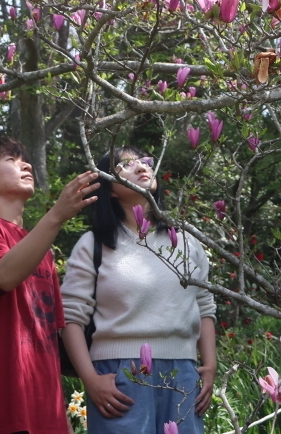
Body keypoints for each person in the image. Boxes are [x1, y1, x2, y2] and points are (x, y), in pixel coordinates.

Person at [0, 136, 100, 434]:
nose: (26, 164)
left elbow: (46, 338)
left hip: (43, 414)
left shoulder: (42, 250)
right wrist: (56, 215)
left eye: (24, 159)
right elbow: (2, 277)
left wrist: (61, 418)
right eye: (11, 160)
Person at [60, 146, 217, 434]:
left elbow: (204, 304)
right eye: (126, 164)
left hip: (183, 372)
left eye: (146, 161)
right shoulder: (93, 245)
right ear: (110, 190)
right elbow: (71, 317)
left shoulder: (185, 240)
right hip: (118, 376)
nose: (142, 166)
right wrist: (90, 379)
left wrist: (210, 363)